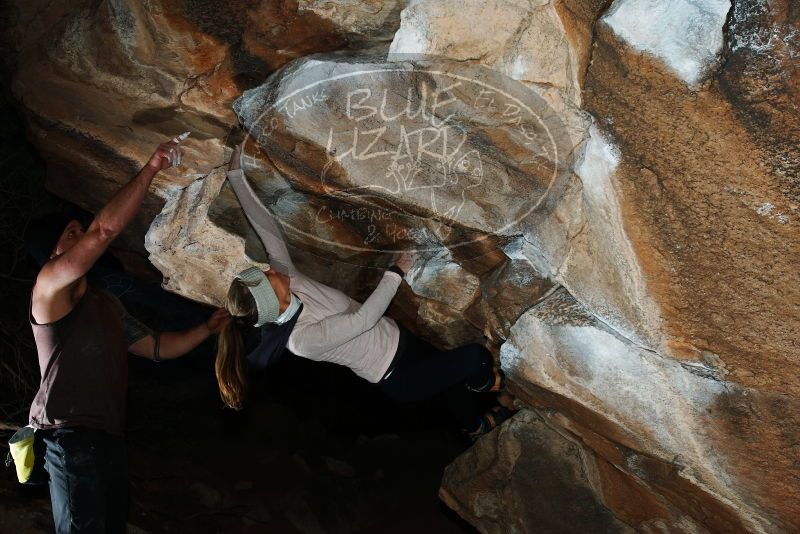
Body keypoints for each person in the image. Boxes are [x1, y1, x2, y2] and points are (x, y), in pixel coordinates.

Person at [216, 141, 514, 441]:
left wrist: (237, 176)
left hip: (402, 339)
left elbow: (267, 228)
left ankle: (473, 425)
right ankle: (490, 384)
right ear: (274, 301)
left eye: (264, 269)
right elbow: (362, 320)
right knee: (474, 359)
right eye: (266, 276)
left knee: (450, 379)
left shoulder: (289, 280)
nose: (270, 269)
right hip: (398, 375)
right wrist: (397, 272)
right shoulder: (301, 340)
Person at [28, 136, 231, 534]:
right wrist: (152, 167)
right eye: (72, 232)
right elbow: (102, 232)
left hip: (108, 439)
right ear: (52, 251)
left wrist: (206, 329)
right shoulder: (48, 288)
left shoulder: (105, 305)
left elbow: (157, 348)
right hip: (67, 436)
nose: (81, 234)